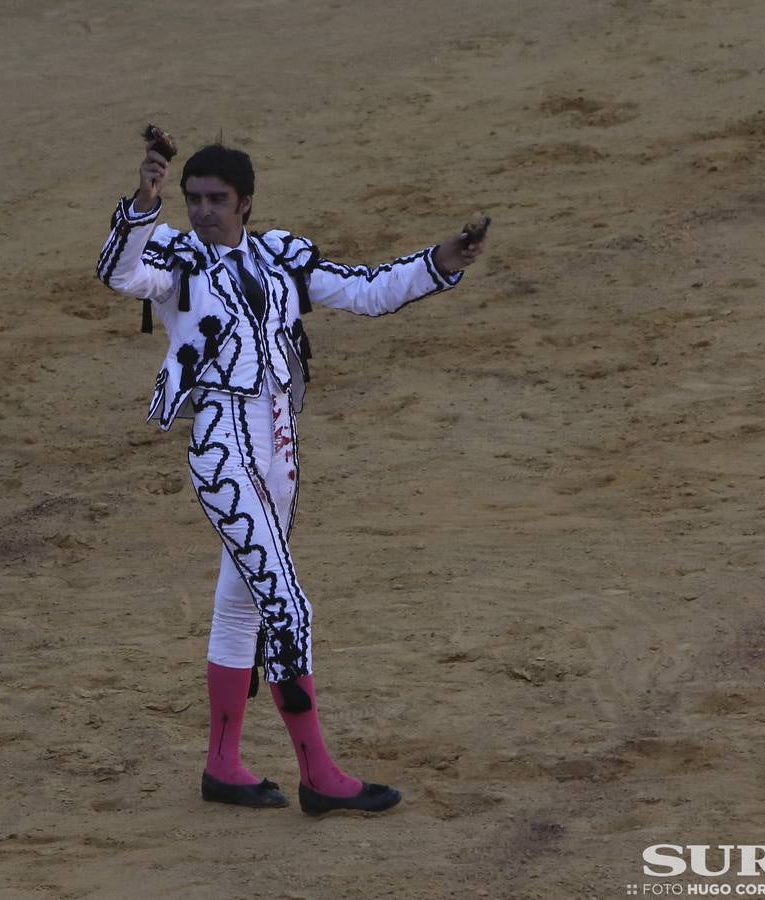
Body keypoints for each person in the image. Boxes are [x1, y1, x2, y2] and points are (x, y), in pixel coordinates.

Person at [95, 137, 486, 815]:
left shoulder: (279, 256)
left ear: (244, 201)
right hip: (221, 447)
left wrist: (436, 264)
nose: (203, 211)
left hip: (277, 444)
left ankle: (222, 766)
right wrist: (143, 202)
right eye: (193, 200)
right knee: (287, 605)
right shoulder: (173, 258)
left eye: (216, 200)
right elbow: (117, 273)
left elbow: (364, 291)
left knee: (243, 602)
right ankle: (319, 775)